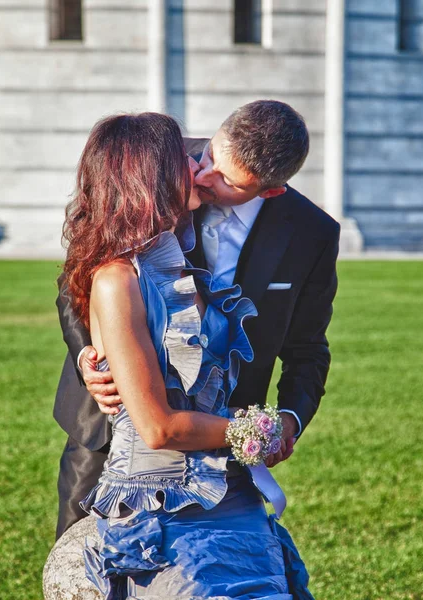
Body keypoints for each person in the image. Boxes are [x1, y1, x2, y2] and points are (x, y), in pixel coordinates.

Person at [55, 100, 340, 540]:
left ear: (268, 191)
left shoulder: (313, 232)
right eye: (207, 156)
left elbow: (307, 346)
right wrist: (89, 361)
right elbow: (80, 277)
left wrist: (286, 419)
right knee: (85, 564)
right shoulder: (154, 163)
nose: (203, 175)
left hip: (214, 437)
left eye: (226, 180)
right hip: (109, 423)